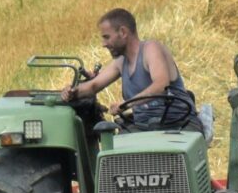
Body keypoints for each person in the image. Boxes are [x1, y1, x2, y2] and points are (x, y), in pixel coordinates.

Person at [72, 8, 212, 135]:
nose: (103, 44)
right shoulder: (121, 63)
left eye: (107, 37)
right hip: (144, 127)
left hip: (178, 125)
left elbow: (161, 85)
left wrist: (125, 104)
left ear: (123, 32)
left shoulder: (151, 49)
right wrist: (70, 92)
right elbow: (93, 86)